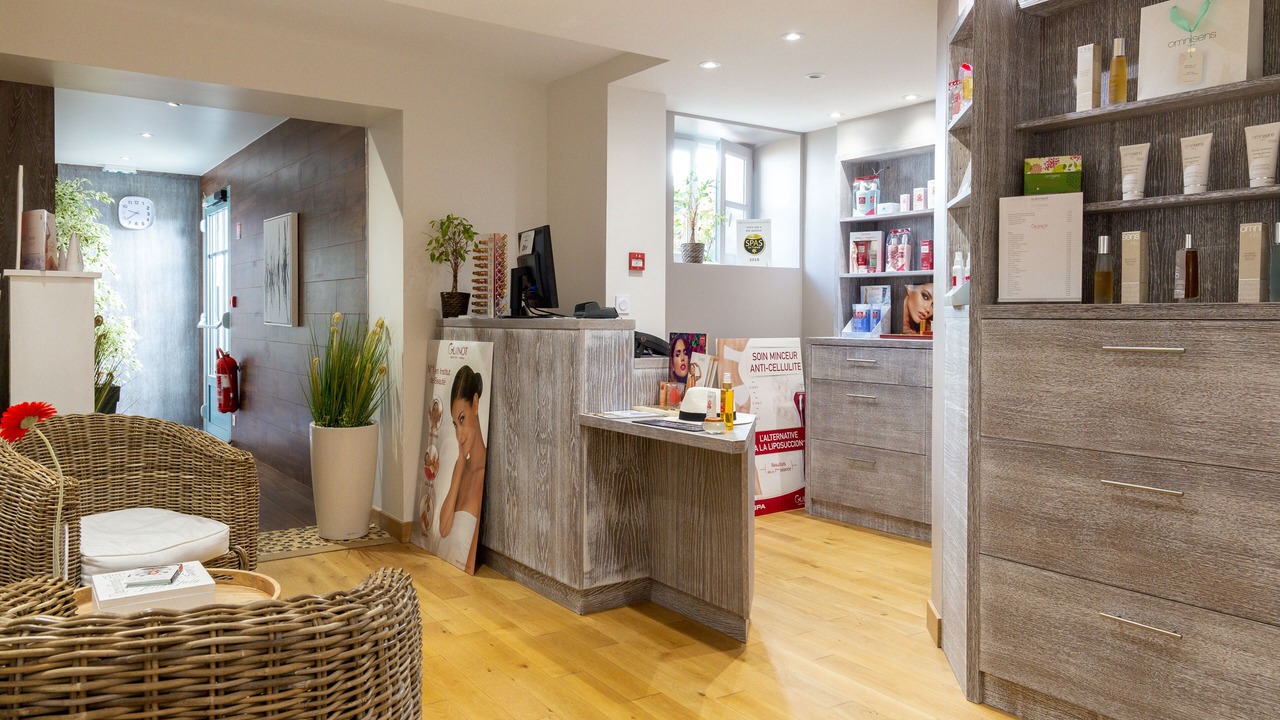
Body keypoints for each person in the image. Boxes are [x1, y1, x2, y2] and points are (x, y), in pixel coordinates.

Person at [420, 365, 486, 572]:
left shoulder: (485, 473)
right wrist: (459, 461)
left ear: (475, 404)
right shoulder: (461, 466)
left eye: (462, 418)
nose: (459, 433)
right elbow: (444, 527)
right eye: (455, 424)